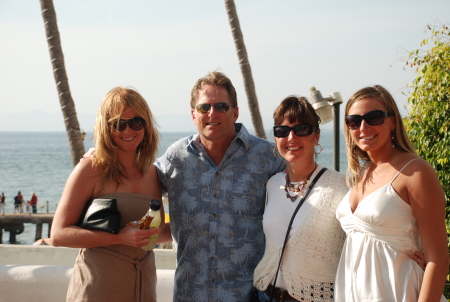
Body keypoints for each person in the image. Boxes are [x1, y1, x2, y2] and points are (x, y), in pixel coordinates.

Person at [155, 71, 286, 301]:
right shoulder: (176, 157)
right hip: (190, 295)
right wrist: (101, 160)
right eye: (204, 107)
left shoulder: (267, 157)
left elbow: (302, 194)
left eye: (221, 106)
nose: (212, 113)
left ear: (235, 112)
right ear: (193, 114)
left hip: (248, 296)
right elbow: (137, 182)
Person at [51, 87, 170, 302]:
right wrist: (119, 236)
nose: (127, 131)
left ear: (146, 125)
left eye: (136, 122)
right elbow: (58, 234)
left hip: (142, 289)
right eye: (118, 124)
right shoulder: (91, 169)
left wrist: (199, 225)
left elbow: (156, 233)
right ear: (106, 127)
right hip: (97, 289)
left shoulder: (152, 173)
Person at [335, 85, 448, 301]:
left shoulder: (416, 172)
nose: (363, 126)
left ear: (393, 121)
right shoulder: (361, 173)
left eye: (374, 117)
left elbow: (439, 259)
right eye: (354, 121)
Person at [252, 96, 349, 302]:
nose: (291, 138)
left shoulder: (341, 187)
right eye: (282, 131)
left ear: (316, 137)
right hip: (265, 294)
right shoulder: (272, 185)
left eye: (301, 129)